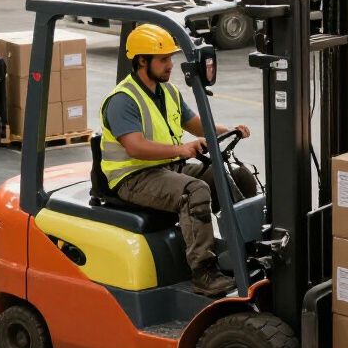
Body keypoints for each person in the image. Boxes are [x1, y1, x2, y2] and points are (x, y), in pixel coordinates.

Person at [99, 23, 257, 298]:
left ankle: (249, 248)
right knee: (194, 191)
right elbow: (135, 147)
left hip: (166, 169)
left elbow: (197, 125)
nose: (170, 65)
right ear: (142, 61)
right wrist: (181, 149)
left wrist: (229, 130)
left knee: (235, 175)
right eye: (163, 59)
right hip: (133, 178)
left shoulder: (168, 92)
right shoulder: (123, 99)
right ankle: (203, 272)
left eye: (170, 58)